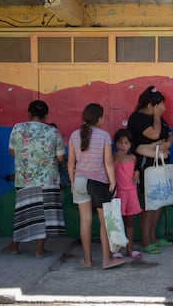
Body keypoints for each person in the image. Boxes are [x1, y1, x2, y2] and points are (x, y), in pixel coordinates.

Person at [2, 100, 65, 258]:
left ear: (29, 114)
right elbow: (61, 158)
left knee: (23, 213)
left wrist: (26, 160)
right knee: (44, 214)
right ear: (46, 116)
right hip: (48, 180)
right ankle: (39, 250)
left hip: (25, 178)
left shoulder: (18, 128)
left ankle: (14, 246)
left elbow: (12, 151)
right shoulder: (53, 132)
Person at [68, 103, 125, 269]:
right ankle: (106, 260)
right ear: (99, 118)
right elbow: (108, 162)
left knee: (85, 220)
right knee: (104, 222)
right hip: (98, 183)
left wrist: (72, 183)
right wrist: (113, 182)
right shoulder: (104, 136)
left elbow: (71, 163)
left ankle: (87, 260)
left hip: (79, 181)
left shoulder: (74, 135)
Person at [127, 85, 173, 254]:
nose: (164, 108)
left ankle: (153, 237)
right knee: (149, 203)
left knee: (159, 201)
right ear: (150, 106)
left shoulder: (158, 117)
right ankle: (146, 241)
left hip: (160, 163)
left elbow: (169, 134)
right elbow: (155, 134)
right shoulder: (137, 118)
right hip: (145, 165)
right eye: (160, 105)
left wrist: (166, 145)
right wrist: (157, 117)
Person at [112, 129, 142, 260]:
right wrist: (116, 160)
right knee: (117, 223)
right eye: (120, 142)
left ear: (130, 145)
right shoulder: (113, 157)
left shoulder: (133, 158)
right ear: (116, 144)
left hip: (131, 193)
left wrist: (137, 172)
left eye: (126, 143)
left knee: (130, 222)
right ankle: (117, 249)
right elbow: (110, 171)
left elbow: (137, 169)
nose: (123, 145)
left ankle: (130, 249)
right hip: (118, 193)